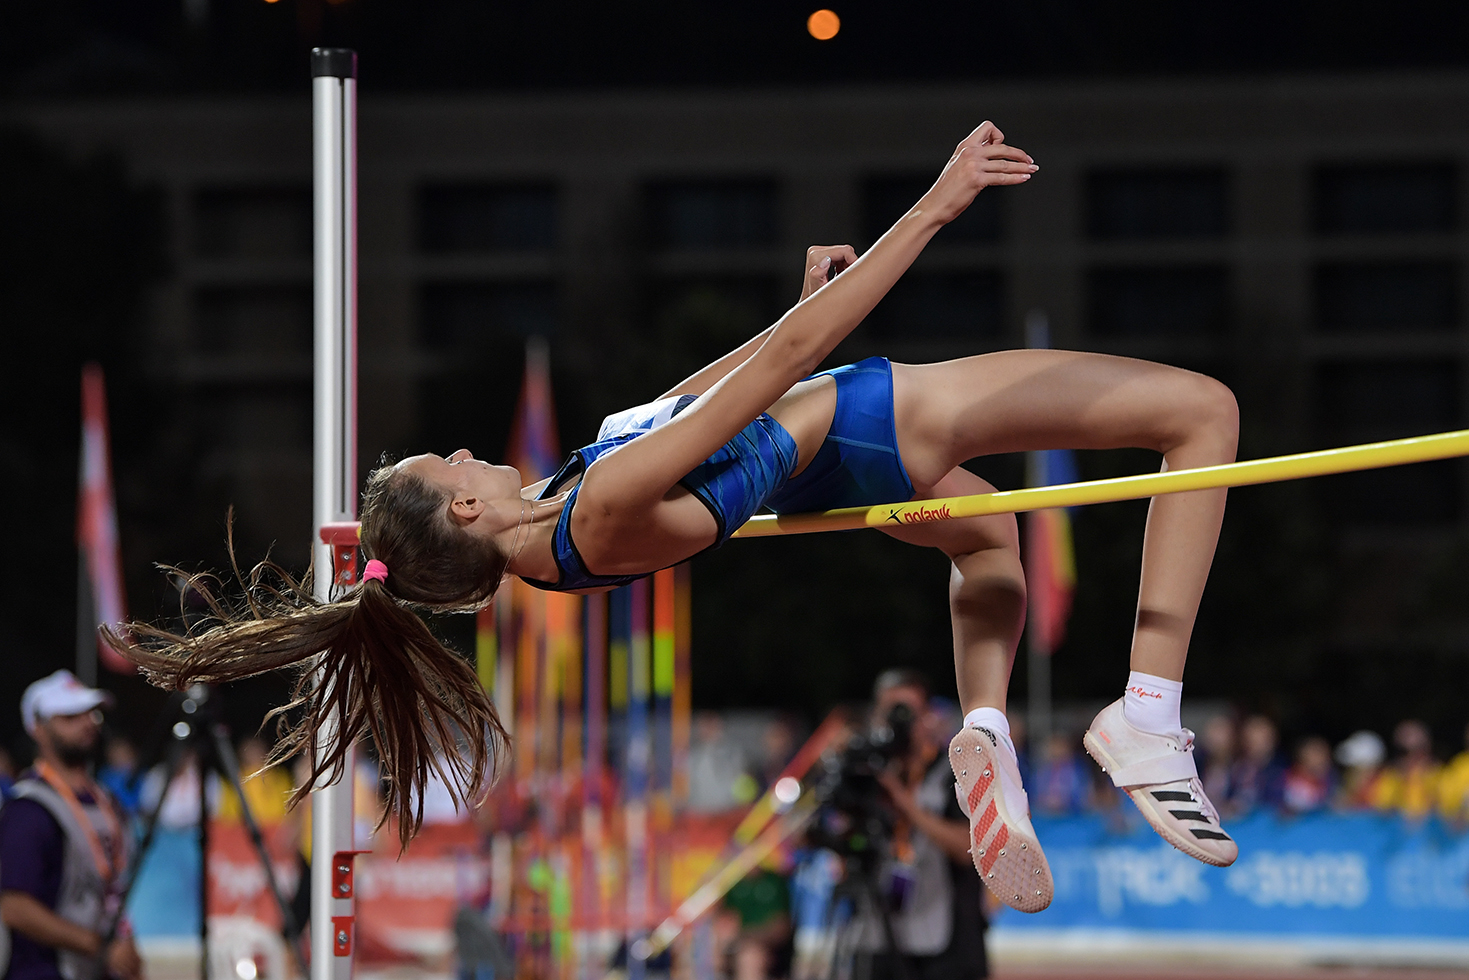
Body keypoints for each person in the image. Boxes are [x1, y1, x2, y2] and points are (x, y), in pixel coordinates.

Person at [106, 121, 1241, 908]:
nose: (465, 447)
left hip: (829, 468)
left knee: (987, 534)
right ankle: (1146, 712)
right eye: (447, 458)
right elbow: (783, 374)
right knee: (1200, 413)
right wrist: (934, 208)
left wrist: (793, 309)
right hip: (874, 421)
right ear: (463, 501)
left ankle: (985, 728)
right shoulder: (593, 506)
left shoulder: (559, 530)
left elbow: (692, 402)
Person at [0, 670, 142, 980]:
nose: (87, 723)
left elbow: (113, 890)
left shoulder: (106, 800)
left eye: (90, 714)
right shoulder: (28, 809)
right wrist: (100, 947)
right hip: (43, 970)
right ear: (38, 728)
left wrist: (123, 947)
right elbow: (13, 905)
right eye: (69, 717)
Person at [849, 669, 988, 980]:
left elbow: (970, 849)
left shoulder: (955, 772)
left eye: (907, 712)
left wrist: (906, 804)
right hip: (877, 937)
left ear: (927, 717)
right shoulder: (868, 773)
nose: (898, 723)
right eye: (890, 713)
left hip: (947, 944)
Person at [1369, 720, 1442, 821]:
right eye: (1404, 752)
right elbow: (1382, 807)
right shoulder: (1392, 776)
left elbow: (1448, 807)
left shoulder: (1439, 775)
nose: (1411, 758)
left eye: (1418, 751)